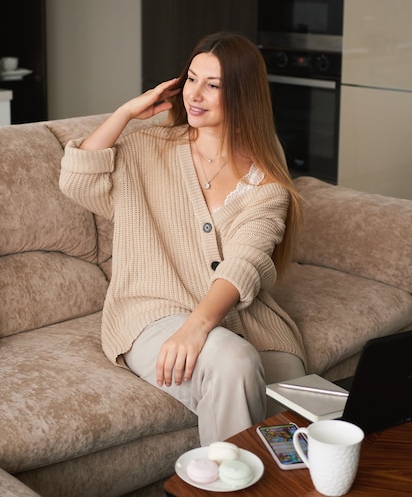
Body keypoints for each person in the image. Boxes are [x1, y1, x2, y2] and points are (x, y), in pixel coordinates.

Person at [59, 32, 306, 445]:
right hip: (153, 313)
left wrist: (199, 324)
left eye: (213, 85)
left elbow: (245, 262)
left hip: (244, 321)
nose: (196, 94)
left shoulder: (266, 180)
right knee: (233, 363)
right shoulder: (147, 148)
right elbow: (77, 182)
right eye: (191, 79)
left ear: (243, 96)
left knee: (301, 418)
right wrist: (124, 113)